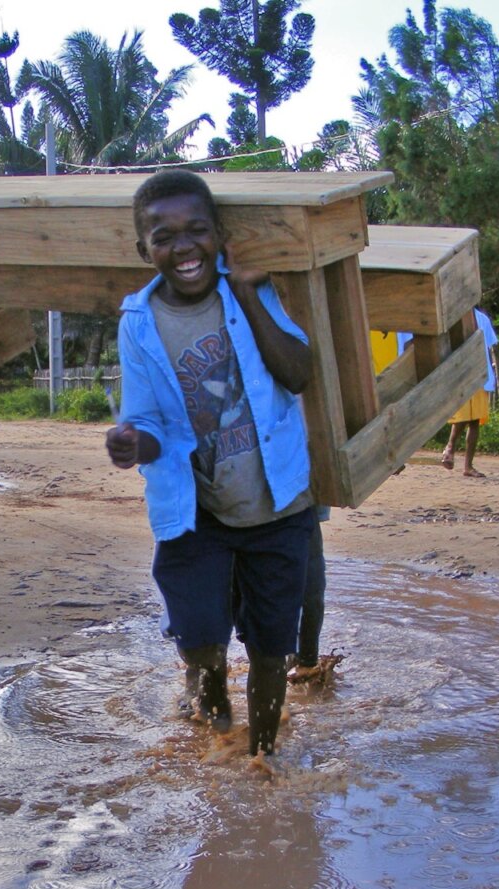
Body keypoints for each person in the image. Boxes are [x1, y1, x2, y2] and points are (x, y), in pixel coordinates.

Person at [105, 169, 314, 758]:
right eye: (163, 236)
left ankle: (264, 759)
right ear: (143, 248)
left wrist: (247, 293)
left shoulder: (252, 290)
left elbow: (298, 372)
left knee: (273, 648)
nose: (183, 246)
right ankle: (217, 720)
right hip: (196, 509)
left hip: (279, 505)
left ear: (219, 235)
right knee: (199, 640)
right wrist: (132, 443)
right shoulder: (139, 323)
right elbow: (147, 422)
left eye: (197, 230)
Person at [440, 308, 499, 478]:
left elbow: (488, 348)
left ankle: (468, 466)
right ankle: (449, 448)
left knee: (474, 421)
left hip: (480, 373)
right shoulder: (452, 317)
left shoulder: (483, 319)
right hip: (461, 374)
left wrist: (490, 373)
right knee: (462, 417)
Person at [286, 505, 329, 682]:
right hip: (255, 511)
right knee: (311, 593)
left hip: (301, 507)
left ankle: (307, 662)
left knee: (311, 594)